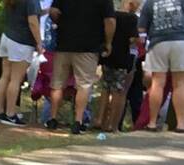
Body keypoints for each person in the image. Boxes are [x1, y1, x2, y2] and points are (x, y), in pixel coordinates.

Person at [46, 0, 115, 132]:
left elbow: (53, 11)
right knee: (84, 85)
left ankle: (52, 118)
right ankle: (78, 121)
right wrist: (109, 42)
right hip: (88, 46)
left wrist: (60, 22)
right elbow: (110, 21)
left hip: (64, 43)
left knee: (57, 83)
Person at [0, 0, 44, 124]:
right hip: (21, 42)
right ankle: (10, 114)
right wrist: (39, 42)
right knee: (16, 79)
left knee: (5, 76)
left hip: (7, 37)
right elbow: (32, 22)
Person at [96, 0, 143, 129]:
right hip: (123, 58)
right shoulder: (131, 18)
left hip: (108, 56)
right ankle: (113, 124)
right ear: (131, 4)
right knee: (119, 91)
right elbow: (133, 39)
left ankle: (100, 120)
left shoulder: (112, 15)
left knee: (105, 88)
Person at [140, 0, 184, 130]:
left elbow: (141, 30)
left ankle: (152, 123)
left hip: (158, 43)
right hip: (180, 42)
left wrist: (144, 45)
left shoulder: (149, 3)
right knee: (180, 83)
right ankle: (181, 124)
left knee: (157, 83)